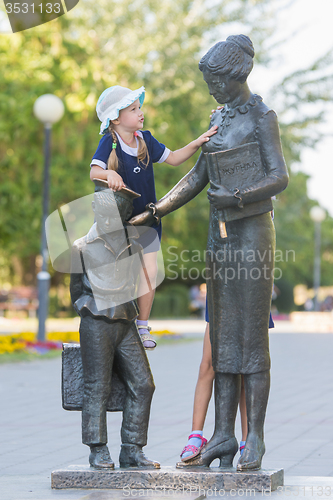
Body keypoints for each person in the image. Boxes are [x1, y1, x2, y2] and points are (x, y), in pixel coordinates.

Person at [130, 35, 288, 471]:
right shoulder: (218, 118)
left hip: (253, 233)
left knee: (251, 339)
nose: (210, 89)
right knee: (222, 338)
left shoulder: (261, 117)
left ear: (236, 75)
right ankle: (222, 435)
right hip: (219, 238)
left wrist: (238, 194)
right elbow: (198, 176)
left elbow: (279, 176)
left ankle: (252, 437)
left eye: (215, 80)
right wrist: (155, 210)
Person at [90, 85, 217, 350]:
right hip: (119, 222)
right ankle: (115, 325)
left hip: (147, 220)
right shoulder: (110, 141)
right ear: (116, 118)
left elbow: (173, 159)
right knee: (121, 274)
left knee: (149, 271)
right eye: (134, 109)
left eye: (139, 107)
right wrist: (109, 175)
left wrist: (197, 143)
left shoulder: (145, 139)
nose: (141, 112)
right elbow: (94, 172)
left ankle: (143, 325)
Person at [70, 182, 160, 470]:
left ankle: (132, 449)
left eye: (114, 216)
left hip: (126, 321)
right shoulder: (81, 247)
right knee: (97, 387)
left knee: (144, 384)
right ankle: (97, 448)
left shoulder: (133, 243)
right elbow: (75, 292)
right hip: (96, 321)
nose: (108, 221)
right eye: (103, 214)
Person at [180, 309, 275, 462]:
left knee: (247, 370)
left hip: (252, 297)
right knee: (207, 366)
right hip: (223, 294)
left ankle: (247, 443)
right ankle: (195, 437)